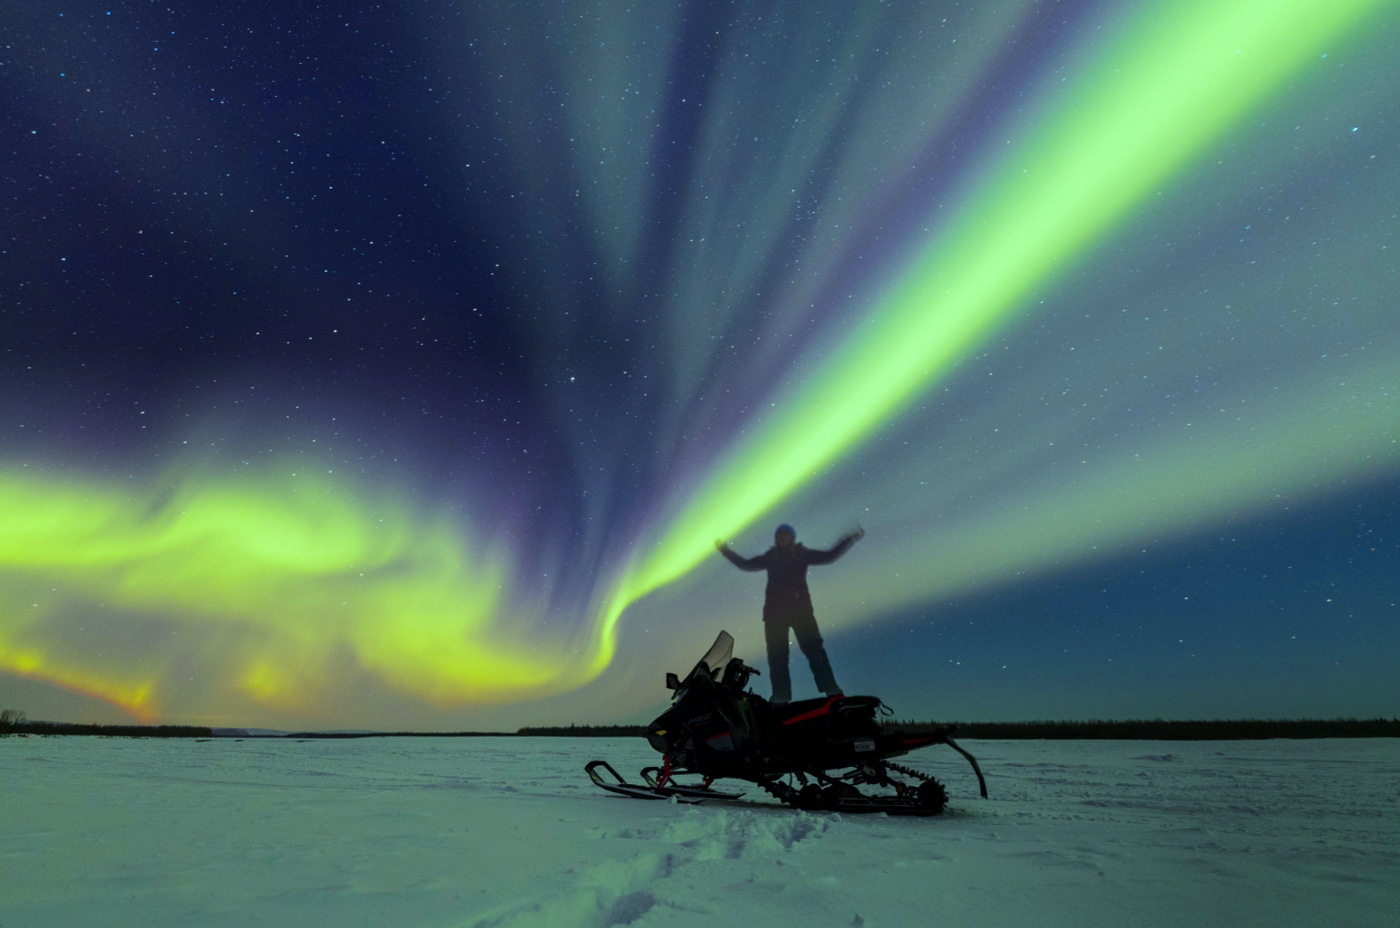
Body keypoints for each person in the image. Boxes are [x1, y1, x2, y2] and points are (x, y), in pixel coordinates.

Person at [714, 523, 864, 705]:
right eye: (780, 534)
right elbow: (746, 564)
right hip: (774, 615)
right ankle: (780, 697)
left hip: (801, 611)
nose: (783, 536)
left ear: (792, 537)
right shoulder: (770, 558)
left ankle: (832, 690)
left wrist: (849, 539)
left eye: (786, 533)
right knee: (777, 657)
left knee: (815, 650)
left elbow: (829, 556)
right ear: (776, 538)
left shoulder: (803, 554)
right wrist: (724, 549)